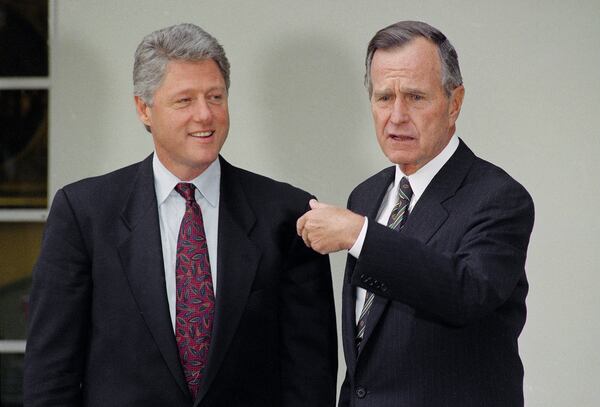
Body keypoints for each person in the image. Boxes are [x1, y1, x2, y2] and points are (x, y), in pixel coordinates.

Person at [24, 23, 337, 407]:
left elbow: (310, 377)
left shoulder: (287, 215)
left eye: (215, 97)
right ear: (144, 108)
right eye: (184, 100)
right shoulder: (84, 213)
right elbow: (51, 373)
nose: (205, 115)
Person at [297, 20, 534, 407]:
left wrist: (361, 236)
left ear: (454, 103)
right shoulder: (367, 194)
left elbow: (466, 292)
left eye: (415, 97)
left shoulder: (499, 197)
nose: (397, 116)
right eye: (383, 97)